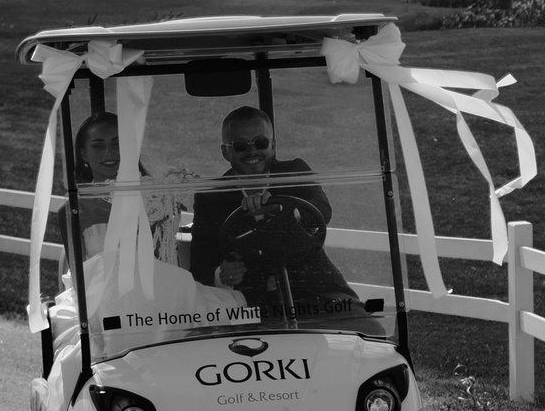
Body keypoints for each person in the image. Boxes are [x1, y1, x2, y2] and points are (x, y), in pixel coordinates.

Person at [185, 106, 366, 327]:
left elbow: (321, 209)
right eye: (240, 145)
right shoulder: (211, 198)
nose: (252, 152)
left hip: (315, 293)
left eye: (261, 142)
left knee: (369, 330)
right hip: (253, 306)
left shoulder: (294, 171)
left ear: (273, 145)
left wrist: (279, 212)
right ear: (225, 152)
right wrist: (221, 275)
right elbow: (200, 266)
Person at [71, 112, 181, 261]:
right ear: (84, 154)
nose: (109, 152)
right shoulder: (75, 209)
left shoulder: (156, 199)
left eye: (117, 144)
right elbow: (79, 273)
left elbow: (167, 258)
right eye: (98, 146)